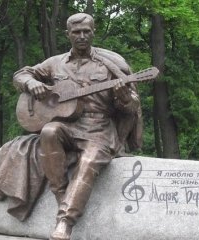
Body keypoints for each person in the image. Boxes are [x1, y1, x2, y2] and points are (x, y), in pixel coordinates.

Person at [13, 13, 142, 240]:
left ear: (93, 32)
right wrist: (32, 83)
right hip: (67, 125)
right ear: (68, 35)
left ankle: (65, 221)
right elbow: (21, 75)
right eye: (76, 32)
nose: (82, 36)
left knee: (90, 160)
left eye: (86, 31)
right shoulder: (55, 63)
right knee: (49, 131)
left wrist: (123, 97)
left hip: (99, 129)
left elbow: (132, 108)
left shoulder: (113, 64)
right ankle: (63, 197)